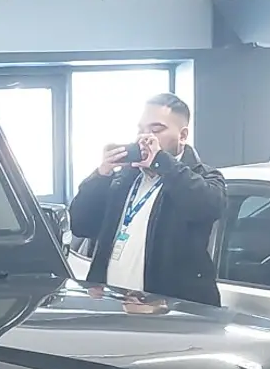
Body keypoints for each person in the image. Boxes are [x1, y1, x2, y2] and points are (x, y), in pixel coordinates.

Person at [68, 92, 226, 306]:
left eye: (156, 130)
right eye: (141, 130)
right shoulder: (124, 179)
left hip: (170, 311)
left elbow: (206, 207)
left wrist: (162, 162)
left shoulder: (203, 177)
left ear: (182, 136)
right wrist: (101, 175)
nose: (144, 138)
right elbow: (81, 225)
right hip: (111, 306)